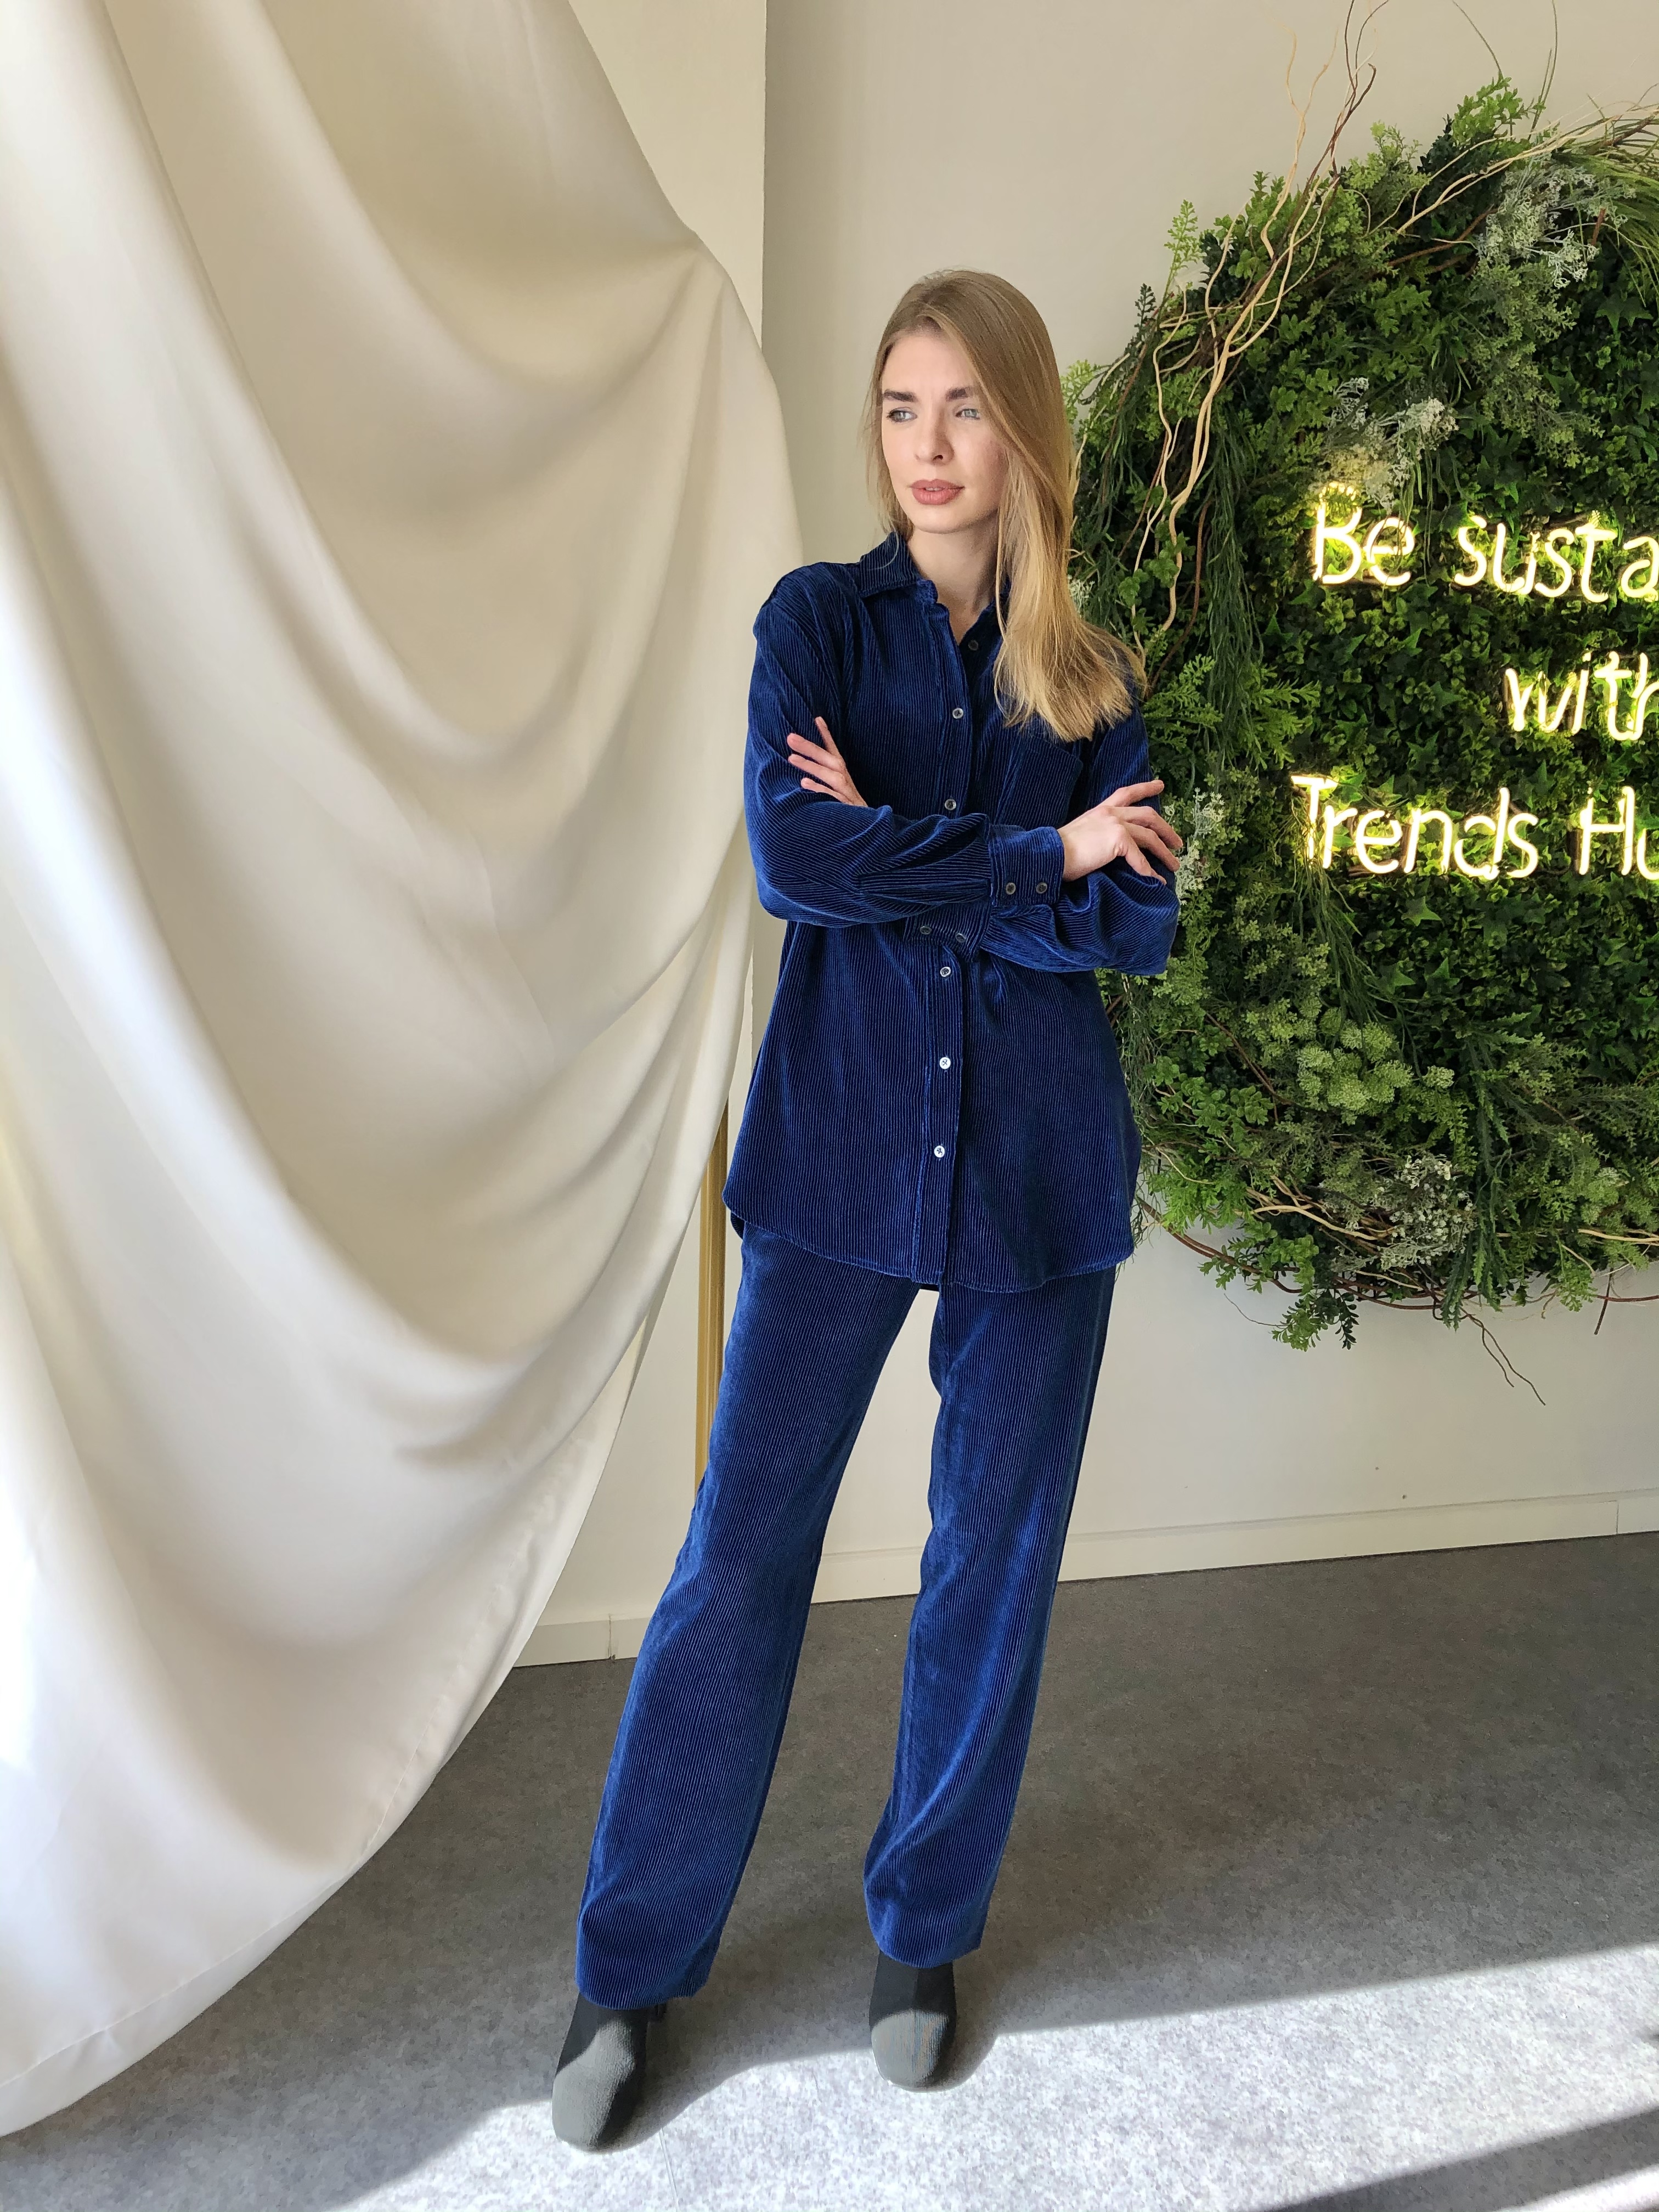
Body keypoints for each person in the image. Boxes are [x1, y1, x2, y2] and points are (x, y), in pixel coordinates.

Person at [550, 268, 1182, 2149]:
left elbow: (1135, 924)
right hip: (834, 1160)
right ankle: (629, 1966)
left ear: (1025, 431)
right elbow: (793, 858)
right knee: (737, 1558)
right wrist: (1038, 851)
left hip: (1042, 1178)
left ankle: (923, 1934)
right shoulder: (814, 626)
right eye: (903, 407)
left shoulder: (1097, 679)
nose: (928, 444)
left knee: (991, 1566)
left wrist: (935, 858)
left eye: (965, 407)